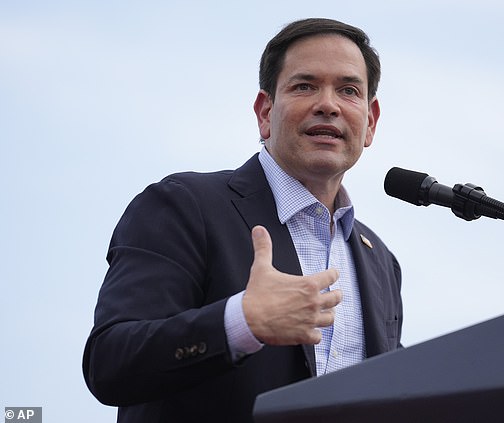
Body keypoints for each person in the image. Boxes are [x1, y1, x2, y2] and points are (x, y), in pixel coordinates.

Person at [83, 17, 403, 422]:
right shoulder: (185, 206)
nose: (328, 104)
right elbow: (111, 363)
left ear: (370, 121)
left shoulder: (380, 262)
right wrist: (241, 322)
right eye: (304, 86)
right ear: (265, 112)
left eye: (348, 90)